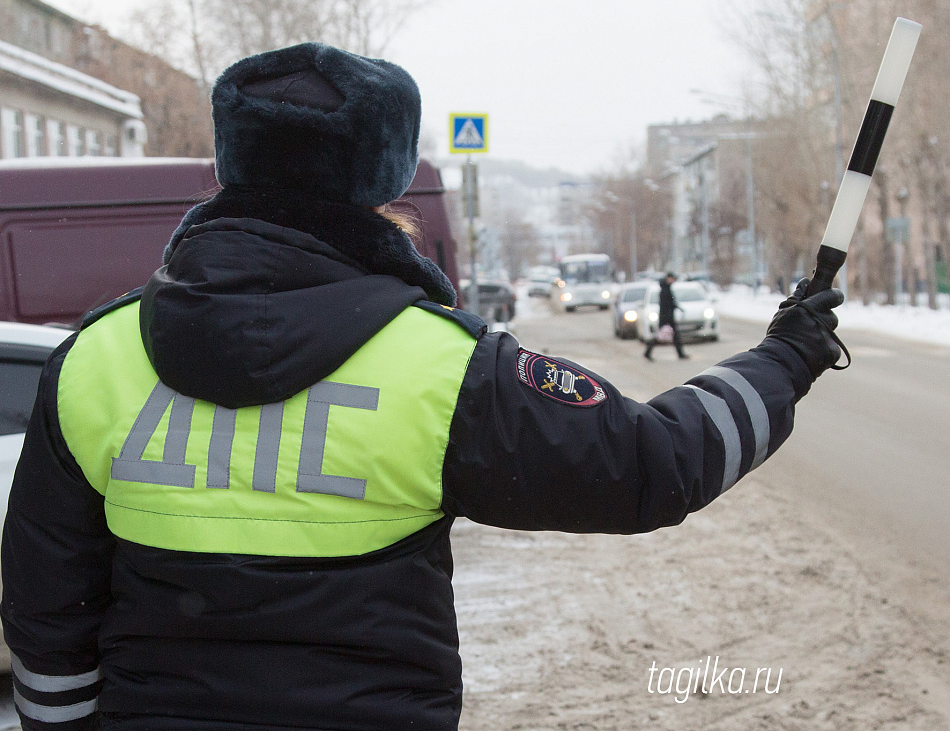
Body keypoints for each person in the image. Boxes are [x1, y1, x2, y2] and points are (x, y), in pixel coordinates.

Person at [1, 42, 844, 731]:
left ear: (229, 163)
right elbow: (656, 463)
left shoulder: (96, 359)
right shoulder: (442, 366)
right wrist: (785, 357)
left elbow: (45, 613)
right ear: (383, 181)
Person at [643, 271, 689, 361]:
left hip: (667, 316)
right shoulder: (664, 289)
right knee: (660, 336)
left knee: (671, 336)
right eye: (672, 279)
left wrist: (677, 307)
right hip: (666, 317)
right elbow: (666, 305)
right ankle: (648, 352)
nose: (673, 281)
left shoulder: (666, 288)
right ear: (668, 278)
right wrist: (668, 315)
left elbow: (670, 303)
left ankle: (680, 353)